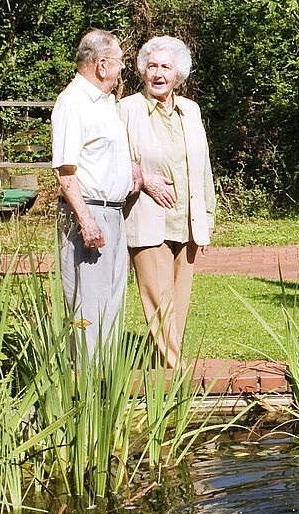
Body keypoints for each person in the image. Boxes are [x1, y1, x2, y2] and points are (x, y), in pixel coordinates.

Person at [119, 35, 216, 367]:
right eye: (151, 66)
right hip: (148, 220)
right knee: (159, 301)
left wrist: (206, 217)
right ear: (143, 71)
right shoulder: (127, 109)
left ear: (178, 74)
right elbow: (114, 160)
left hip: (187, 222)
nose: (158, 73)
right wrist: (144, 179)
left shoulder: (191, 110)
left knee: (177, 303)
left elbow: (203, 167)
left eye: (165, 67)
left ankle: (156, 367)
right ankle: (178, 375)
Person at [50, 29, 139, 355]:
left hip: (113, 213)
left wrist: (132, 169)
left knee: (112, 301)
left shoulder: (104, 103)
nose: (121, 70)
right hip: (88, 213)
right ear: (102, 65)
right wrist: (86, 220)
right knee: (89, 302)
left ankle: (106, 383)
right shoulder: (72, 103)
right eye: (120, 63)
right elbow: (65, 169)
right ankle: (87, 386)